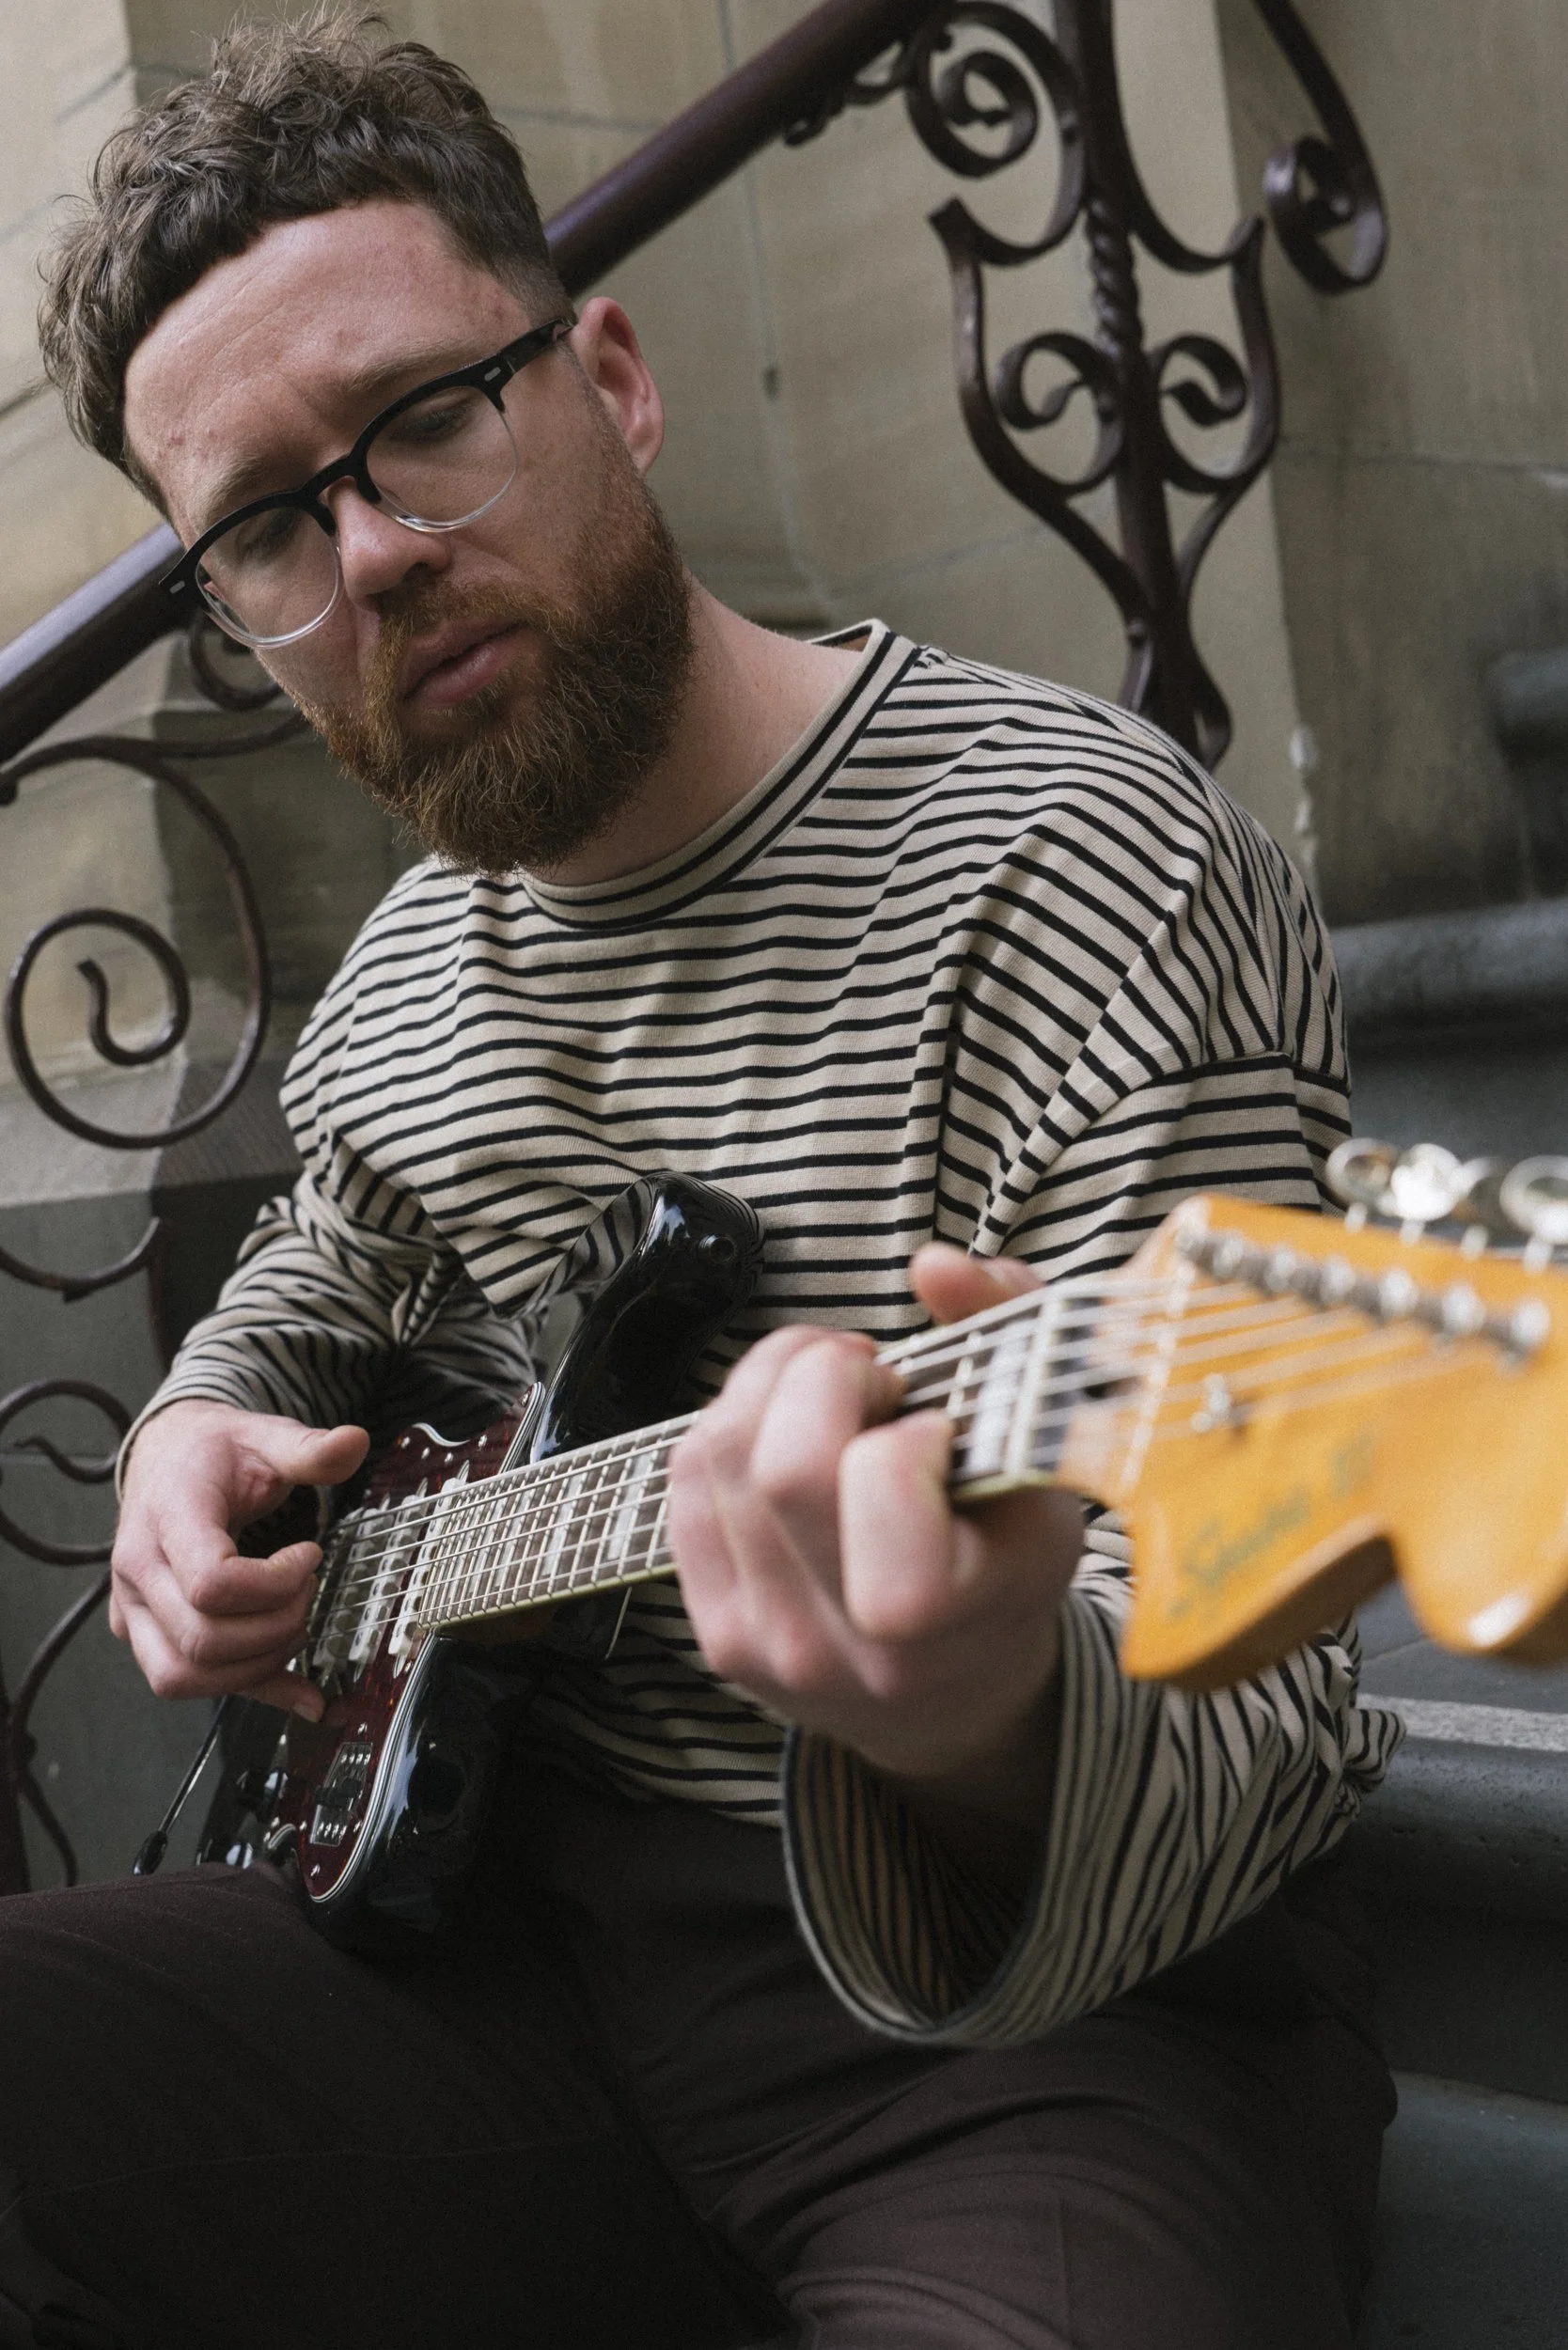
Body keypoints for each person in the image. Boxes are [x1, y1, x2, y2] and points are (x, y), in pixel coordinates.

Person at [2, 14, 1400, 2348]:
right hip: (496, 1947)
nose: (371, 557)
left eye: (424, 422)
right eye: (259, 524)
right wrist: (183, 1428)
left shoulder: (1089, 862)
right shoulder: (411, 974)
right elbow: (316, 1263)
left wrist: (974, 1714)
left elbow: (1258, 1705)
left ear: (614, 377)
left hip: (1049, 2033)